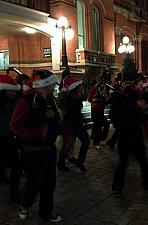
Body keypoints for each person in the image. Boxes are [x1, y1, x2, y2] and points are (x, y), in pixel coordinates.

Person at [10, 70, 62, 222]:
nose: (54, 86)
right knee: (34, 183)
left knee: (50, 182)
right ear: (43, 85)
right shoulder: (25, 101)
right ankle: (24, 204)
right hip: (32, 151)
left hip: (49, 150)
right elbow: (14, 126)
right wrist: (37, 132)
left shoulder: (50, 99)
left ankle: (46, 212)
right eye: (52, 83)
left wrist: (58, 129)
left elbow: (53, 119)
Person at [112, 89, 148, 197]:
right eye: (147, 105)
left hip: (136, 141)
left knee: (144, 163)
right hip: (125, 142)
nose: (146, 107)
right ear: (143, 101)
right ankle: (117, 188)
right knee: (122, 165)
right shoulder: (130, 109)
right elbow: (131, 125)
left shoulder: (137, 109)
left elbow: (139, 122)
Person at [57, 76, 90, 172]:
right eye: (79, 86)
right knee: (67, 144)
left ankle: (80, 162)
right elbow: (64, 108)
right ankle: (61, 163)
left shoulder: (77, 96)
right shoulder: (67, 97)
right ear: (74, 87)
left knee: (86, 141)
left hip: (77, 123)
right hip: (69, 124)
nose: (81, 87)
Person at [0, 74, 21, 203]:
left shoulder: (13, 104)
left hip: (11, 139)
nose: (13, 93)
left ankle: (14, 194)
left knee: (16, 167)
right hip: (2, 139)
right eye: (10, 91)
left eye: (15, 91)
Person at [87, 77, 110, 149]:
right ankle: (96, 143)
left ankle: (102, 139)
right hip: (95, 110)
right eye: (100, 82)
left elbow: (106, 98)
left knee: (106, 124)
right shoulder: (94, 89)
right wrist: (95, 103)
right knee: (98, 127)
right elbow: (89, 99)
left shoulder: (103, 89)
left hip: (101, 110)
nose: (101, 83)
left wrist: (105, 99)